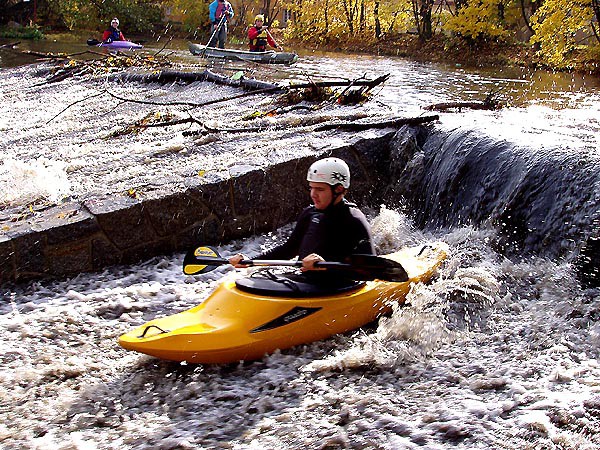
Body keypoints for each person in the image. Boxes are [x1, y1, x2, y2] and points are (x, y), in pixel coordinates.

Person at [229, 157, 375, 273]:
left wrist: (326, 266)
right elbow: (288, 249)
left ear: (339, 189)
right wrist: (250, 260)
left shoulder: (354, 220)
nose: (313, 194)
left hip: (338, 287)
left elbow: (370, 268)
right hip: (306, 284)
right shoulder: (310, 214)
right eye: (311, 188)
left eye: (320, 189)